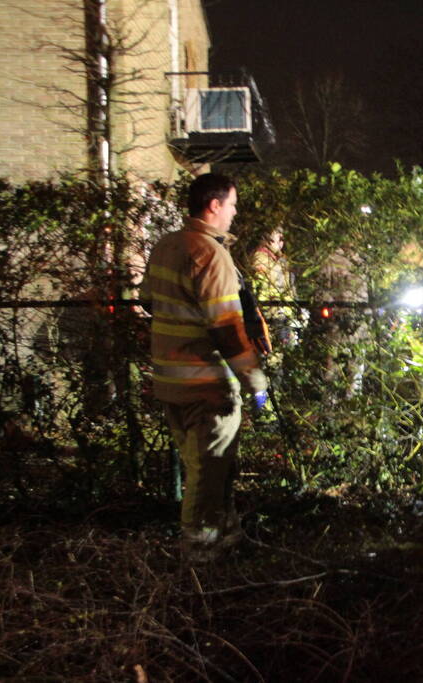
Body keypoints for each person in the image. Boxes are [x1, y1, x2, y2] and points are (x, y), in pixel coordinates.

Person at [141, 173, 268, 564]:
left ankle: (226, 540)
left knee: (208, 468)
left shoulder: (167, 245)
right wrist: (255, 380)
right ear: (214, 206)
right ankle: (199, 558)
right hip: (207, 385)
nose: (234, 213)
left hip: (171, 382)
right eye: (231, 205)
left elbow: (149, 301)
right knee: (207, 475)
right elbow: (226, 328)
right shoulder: (211, 254)